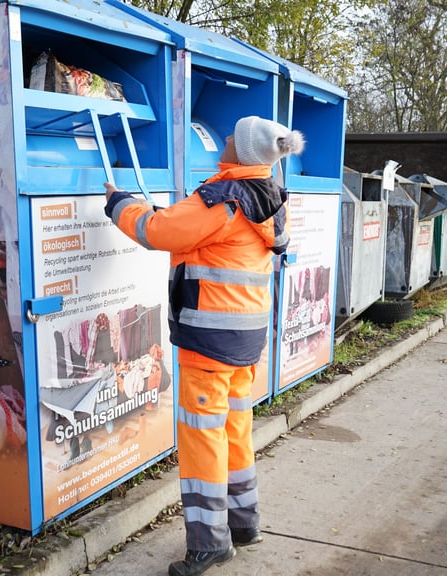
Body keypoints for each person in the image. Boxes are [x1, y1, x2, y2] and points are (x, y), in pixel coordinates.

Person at [104, 116, 304, 576]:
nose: (226, 138)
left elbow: (156, 232)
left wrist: (118, 204)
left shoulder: (222, 200)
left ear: (245, 150)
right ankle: (244, 523)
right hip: (246, 341)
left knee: (202, 440)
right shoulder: (269, 197)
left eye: (233, 135)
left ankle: (210, 543)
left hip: (210, 344)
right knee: (234, 430)